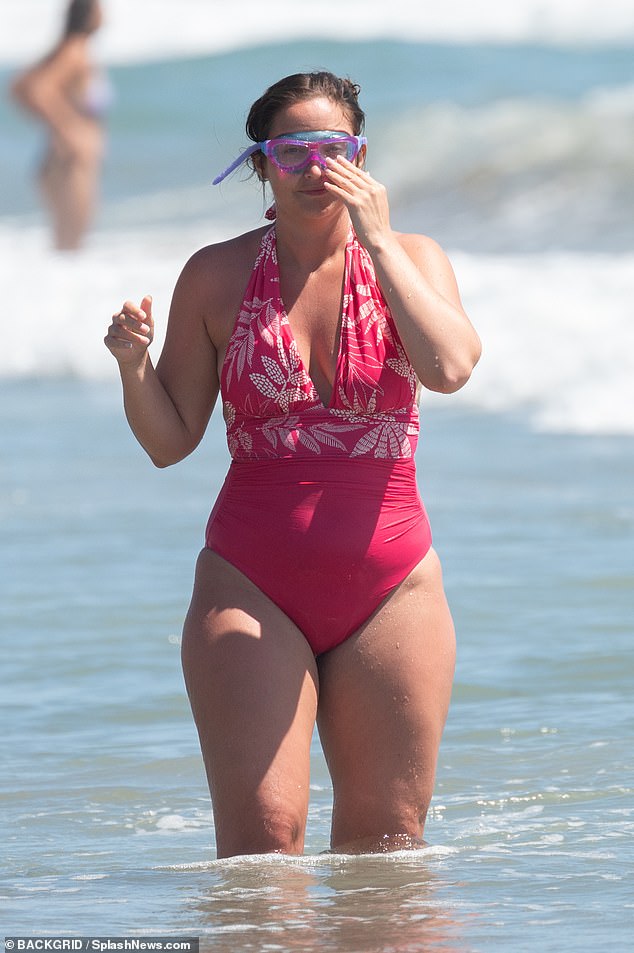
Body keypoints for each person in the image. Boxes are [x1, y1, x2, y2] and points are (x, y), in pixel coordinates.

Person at [104, 71, 481, 858]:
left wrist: (377, 238)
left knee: (389, 848)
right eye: (293, 150)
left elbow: (449, 368)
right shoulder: (216, 274)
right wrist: (134, 368)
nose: (316, 167)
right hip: (250, 581)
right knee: (262, 850)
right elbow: (170, 442)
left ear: (362, 157)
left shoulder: (412, 257)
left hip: (394, 586)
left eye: (335, 149)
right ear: (261, 165)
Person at [9, 0, 109, 250]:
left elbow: (19, 86)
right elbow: (36, 89)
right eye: (99, 8)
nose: (104, 14)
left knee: (67, 245)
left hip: (59, 160)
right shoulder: (74, 52)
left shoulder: (67, 50)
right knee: (72, 245)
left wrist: (61, 125)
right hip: (69, 164)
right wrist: (70, 128)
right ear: (89, 15)